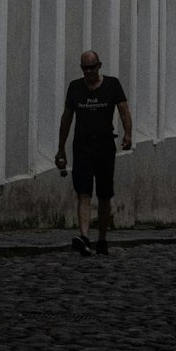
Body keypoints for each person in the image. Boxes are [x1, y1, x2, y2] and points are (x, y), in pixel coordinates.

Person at [55, 50, 132, 256]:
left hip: (105, 145)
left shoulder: (112, 85)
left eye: (92, 67)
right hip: (82, 146)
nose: (89, 72)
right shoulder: (75, 88)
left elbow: (124, 110)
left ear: (100, 66)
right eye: (85, 68)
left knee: (105, 194)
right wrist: (61, 147)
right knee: (84, 191)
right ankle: (85, 238)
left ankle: (102, 239)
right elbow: (66, 119)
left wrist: (128, 134)